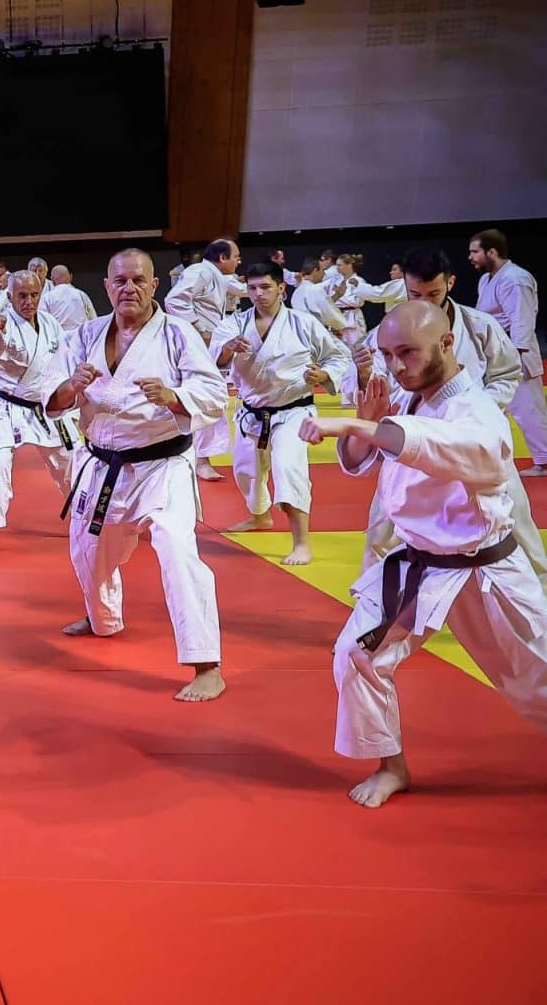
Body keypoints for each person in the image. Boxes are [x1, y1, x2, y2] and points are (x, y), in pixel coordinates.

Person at [304, 301, 547, 807]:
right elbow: (362, 462)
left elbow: (451, 447)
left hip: (485, 570)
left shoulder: (476, 410)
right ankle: (390, 766)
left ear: (446, 343)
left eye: (407, 353)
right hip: (420, 565)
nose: (396, 366)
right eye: (388, 354)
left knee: (535, 680)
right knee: (357, 654)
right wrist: (365, 424)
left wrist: (361, 428)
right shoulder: (407, 399)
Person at [45, 248, 228, 702]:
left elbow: (213, 392)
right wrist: (71, 386)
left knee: (177, 550)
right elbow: (52, 396)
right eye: (120, 281)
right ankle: (103, 619)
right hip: (103, 463)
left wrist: (173, 395)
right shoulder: (85, 335)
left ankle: (206, 663)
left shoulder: (178, 334)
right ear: (107, 287)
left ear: (154, 285)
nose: (129, 288)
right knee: (89, 553)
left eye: (138, 280)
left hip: (163, 465)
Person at [362, 247, 544, 580]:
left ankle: (541, 588)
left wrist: (478, 408)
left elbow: (507, 373)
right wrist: (364, 378)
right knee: (382, 524)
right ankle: (373, 598)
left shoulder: (479, 325)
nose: (425, 302)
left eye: (433, 293)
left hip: (471, 438)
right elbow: (371, 382)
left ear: (450, 283)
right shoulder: (391, 331)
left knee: (515, 517)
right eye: (415, 294)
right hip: (412, 439)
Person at [213, 262, 354, 565]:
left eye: (265, 287)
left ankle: (302, 543)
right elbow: (216, 359)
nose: (258, 294)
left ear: (281, 288)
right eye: (252, 288)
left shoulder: (303, 323)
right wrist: (227, 349)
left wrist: (324, 375)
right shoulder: (234, 324)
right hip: (252, 412)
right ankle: (260, 517)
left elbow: (337, 356)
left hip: (293, 411)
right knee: (246, 473)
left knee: (289, 469)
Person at [0, 269, 76, 557]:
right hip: (8, 407)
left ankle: (82, 517)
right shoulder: (3, 325)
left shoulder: (50, 324)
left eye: (34, 295)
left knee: (72, 463)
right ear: (10, 296)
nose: (29, 301)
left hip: (46, 407)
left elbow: (64, 358)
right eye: (22, 296)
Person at [162, 239, 243, 481]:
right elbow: (174, 300)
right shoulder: (200, 272)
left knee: (209, 398)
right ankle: (199, 459)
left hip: (205, 345)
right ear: (222, 258)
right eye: (236, 256)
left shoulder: (215, 275)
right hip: (194, 346)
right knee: (203, 398)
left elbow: (241, 288)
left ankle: (199, 458)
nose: (238, 261)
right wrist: (199, 328)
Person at [471, 228, 545, 476]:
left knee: (528, 410)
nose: (471, 257)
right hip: (493, 353)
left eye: (475, 252)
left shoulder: (515, 279)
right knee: (490, 409)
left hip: (516, 353)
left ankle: (545, 460)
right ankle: (489, 460)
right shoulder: (486, 280)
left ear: (491, 252)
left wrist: (516, 357)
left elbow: (522, 320)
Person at [42, 264, 99, 330]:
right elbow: (94, 321)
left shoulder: (47, 297)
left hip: (57, 335)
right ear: (71, 277)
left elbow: (42, 322)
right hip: (81, 335)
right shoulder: (81, 295)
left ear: (52, 279)